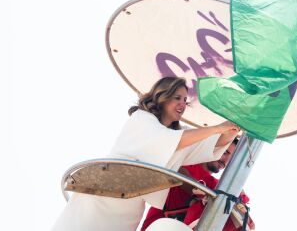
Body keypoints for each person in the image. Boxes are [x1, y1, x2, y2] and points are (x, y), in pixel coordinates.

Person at [52, 77, 240, 231]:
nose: (183, 104)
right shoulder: (142, 119)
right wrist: (216, 128)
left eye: (185, 100)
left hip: (130, 205)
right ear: (162, 96)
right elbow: (173, 140)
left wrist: (230, 130)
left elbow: (210, 147)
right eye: (177, 97)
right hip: (103, 194)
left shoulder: (177, 136)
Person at [141, 138, 255, 231]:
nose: (225, 161)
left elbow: (244, 210)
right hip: (158, 226)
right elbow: (179, 174)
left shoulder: (217, 185)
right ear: (213, 147)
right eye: (225, 153)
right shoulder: (184, 166)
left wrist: (237, 190)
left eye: (231, 159)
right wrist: (202, 193)